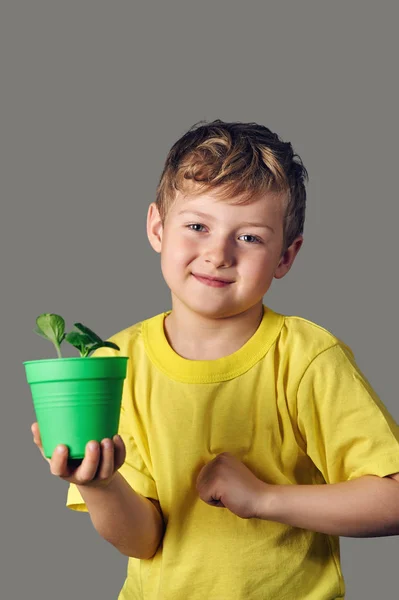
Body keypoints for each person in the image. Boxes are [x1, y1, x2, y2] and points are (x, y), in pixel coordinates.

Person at [32, 119, 399, 599]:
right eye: (197, 226)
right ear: (158, 228)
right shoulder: (114, 361)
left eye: (249, 237)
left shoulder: (307, 357)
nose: (218, 253)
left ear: (286, 257)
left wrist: (264, 499)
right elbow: (143, 541)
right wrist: (100, 484)